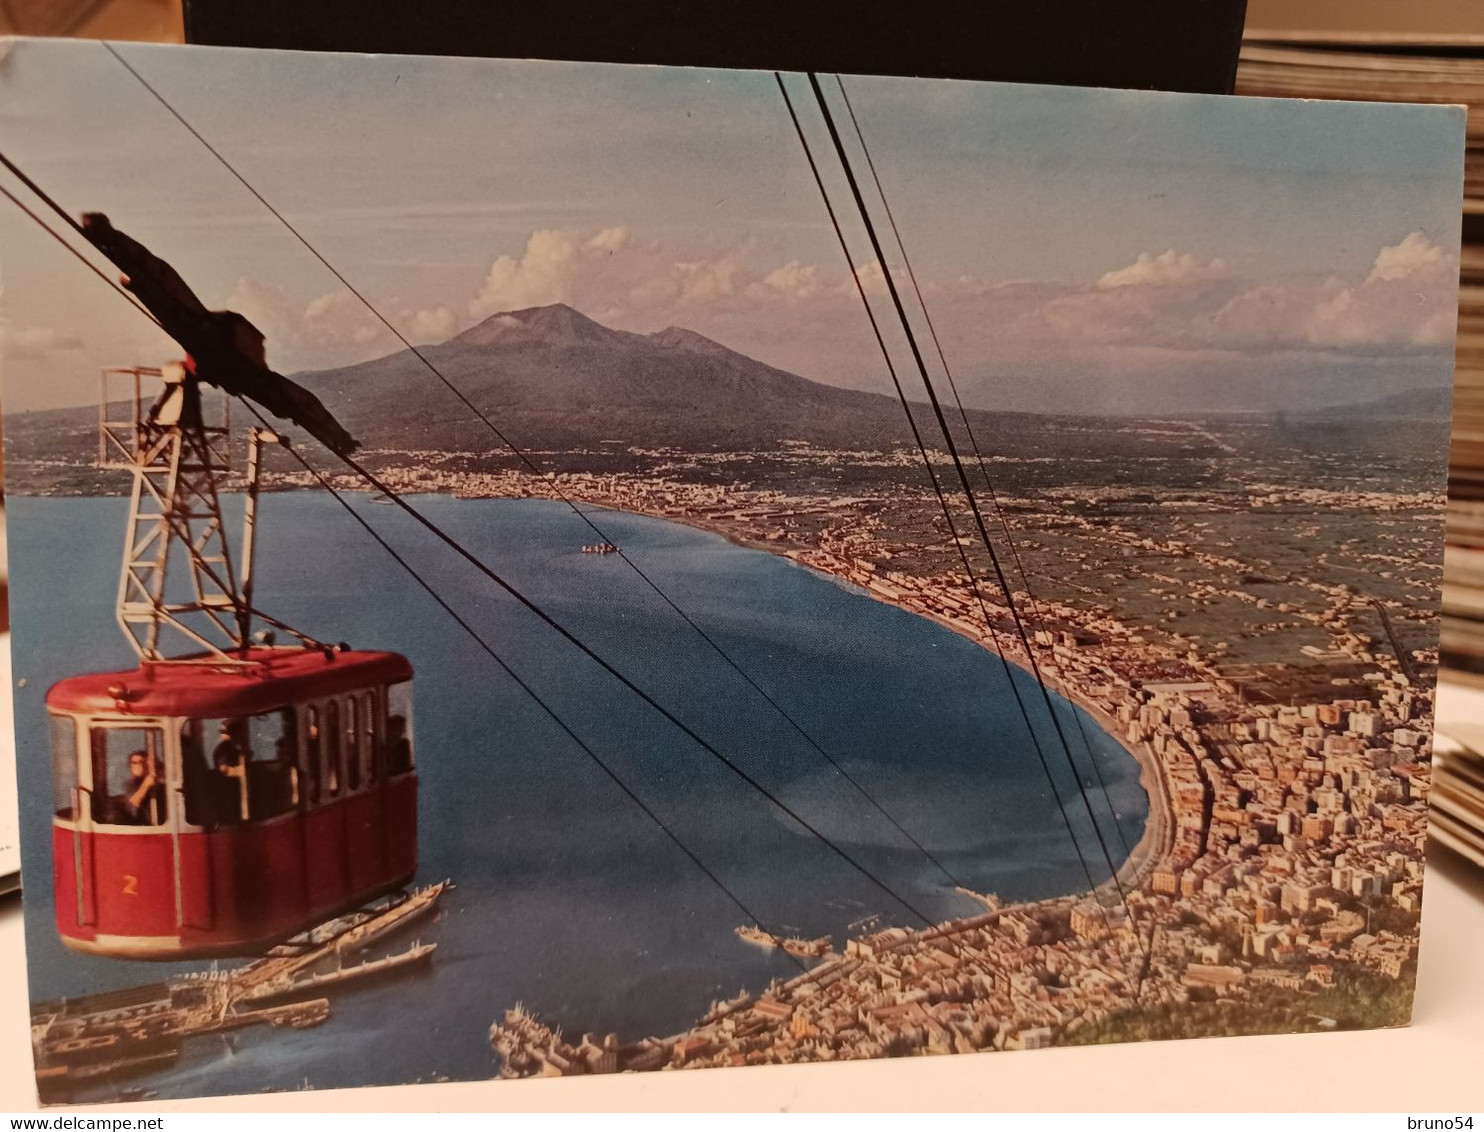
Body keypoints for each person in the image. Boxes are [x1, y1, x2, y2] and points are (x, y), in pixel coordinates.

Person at [209, 720, 248, 823]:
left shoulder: (234, 747)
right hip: (227, 792)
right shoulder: (224, 749)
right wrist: (243, 771)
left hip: (234, 790)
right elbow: (223, 770)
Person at [120, 750, 165, 826]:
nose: (139, 765)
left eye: (142, 762)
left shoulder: (160, 784)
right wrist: (146, 785)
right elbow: (132, 807)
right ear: (130, 767)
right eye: (134, 763)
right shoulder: (129, 785)